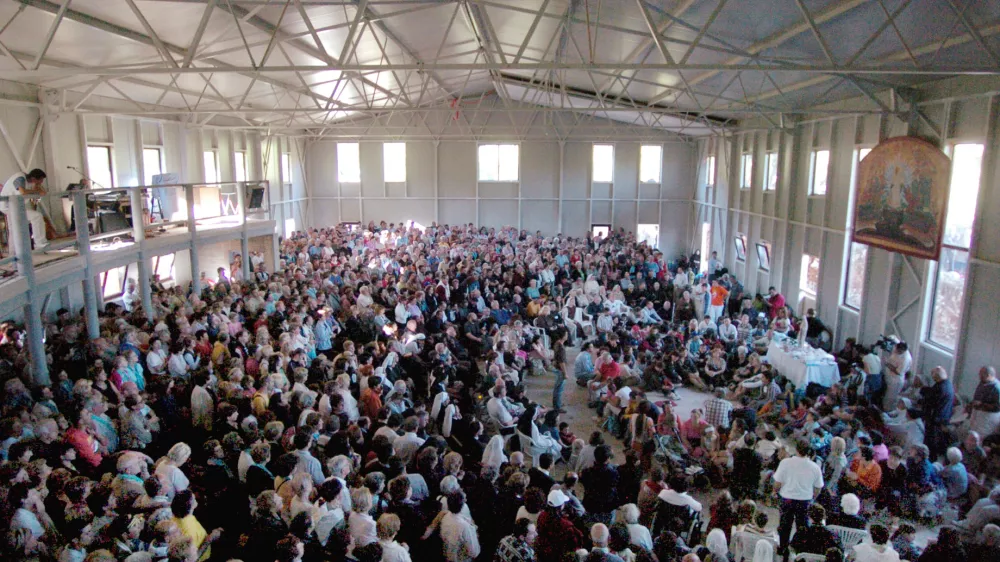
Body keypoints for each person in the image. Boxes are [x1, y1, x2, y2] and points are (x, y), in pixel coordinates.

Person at [773, 440, 823, 558]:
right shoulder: (815, 467)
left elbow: (777, 483)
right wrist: (812, 498)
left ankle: (783, 549)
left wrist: (775, 492)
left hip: (787, 498)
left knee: (785, 526)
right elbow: (818, 488)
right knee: (802, 527)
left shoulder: (785, 463)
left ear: (796, 449)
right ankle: (800, 552)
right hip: (804, 500)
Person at [0, 168, 48, 249]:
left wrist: (37, 187)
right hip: (9, 206)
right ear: (34, 178)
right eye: (40, 180)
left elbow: (41, 192)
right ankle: (40, 243)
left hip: (12, 206)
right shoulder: (20, 178)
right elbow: (23, 192)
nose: (41, 182)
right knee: (37, 216)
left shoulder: (27, 180)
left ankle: (13, 251)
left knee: (14, 228)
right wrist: (37, 192)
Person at [968, 366, 1000, 438]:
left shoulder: (997, 388)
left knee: (981, 437)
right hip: (977, 416)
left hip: (986, 418)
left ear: (988, 376)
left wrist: (981, 404)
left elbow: (997, 407)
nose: (979, 377)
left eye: (981, 375)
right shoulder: (983, 382)